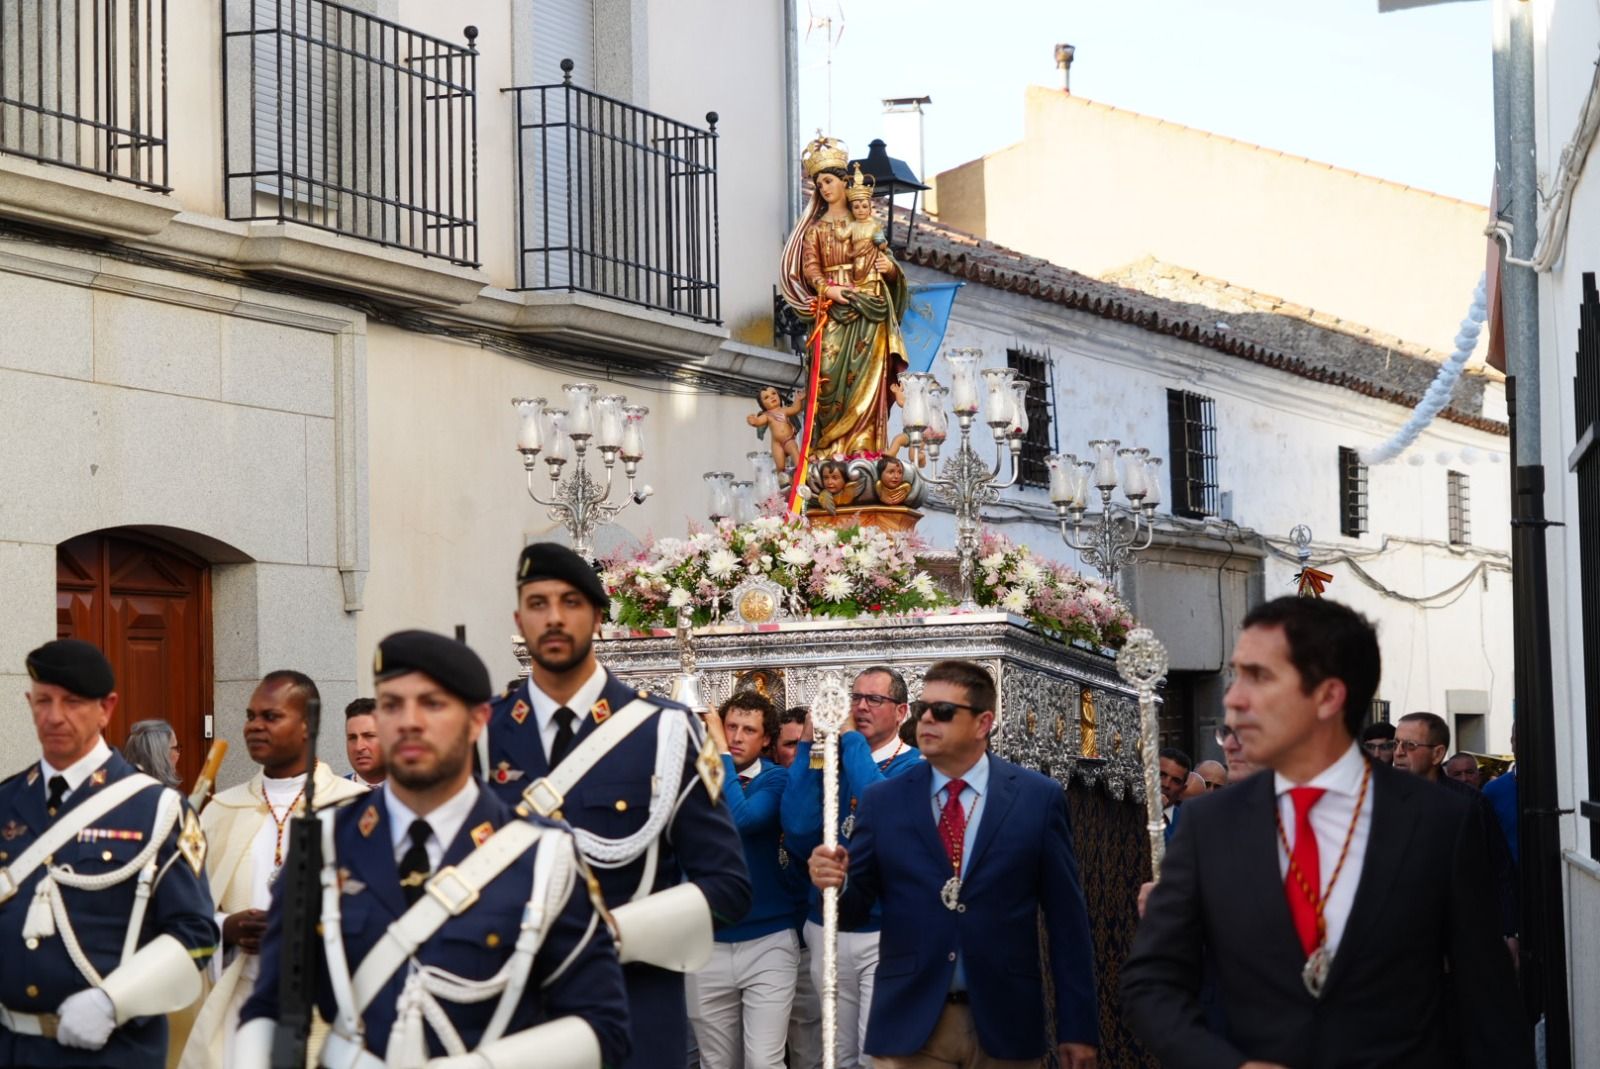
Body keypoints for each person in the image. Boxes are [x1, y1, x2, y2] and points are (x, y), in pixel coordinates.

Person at [1122, 597, 1532, 1068]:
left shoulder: (1439, 821)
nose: (1233, 699)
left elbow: (1489, 1003)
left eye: (1259, 677)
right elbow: (1150, 984)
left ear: (1328, 697)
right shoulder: (1208, 825)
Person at [236, 630, 630, 1068]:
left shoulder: (540, 856)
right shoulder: (324, 845)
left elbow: (602, 1026)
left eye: (432, 704)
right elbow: (270, 1005)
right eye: (392, 704)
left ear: (478, 719)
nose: (408, 721)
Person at [483, 542, 751, 1069]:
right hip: (510, 1023)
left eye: (571, 602)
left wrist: (609, 936)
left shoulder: (665, 733)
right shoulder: (478, 734)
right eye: (538, 604)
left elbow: (728, 888)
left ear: (599, 617)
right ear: (519, 619)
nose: (554, 618)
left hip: (631, 1020)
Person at [809, 659, 1099, 1069]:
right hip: (910, 1022)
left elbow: (1067, 922)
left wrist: (1078, 1027)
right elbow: (855, 910)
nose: (927, 719)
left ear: (983, 723)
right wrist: (833, 884)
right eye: (924, 708)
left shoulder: (1037, 799)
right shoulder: (885, 801)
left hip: (1005, 1021)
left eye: (943, 711)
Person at [0, 639, 217, 1068]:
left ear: (107, 708)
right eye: (43, 701)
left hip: (111, 1053)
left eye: (73, 702)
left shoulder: (157, 809)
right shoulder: (6, 801)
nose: (54, 716)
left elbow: (196, 935)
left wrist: (112, 1001)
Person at [178, 671, 369, 1069]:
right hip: (240, 1000)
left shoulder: (358, 809)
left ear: (307, 726)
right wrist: (226, 927)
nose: (254, 726)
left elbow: (382, 913)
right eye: (250, 716)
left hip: (327, 1007)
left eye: (270, 716)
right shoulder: (221, 811)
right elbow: (183, 912)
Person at [782, 666, 922, 1069]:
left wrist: (847, 737)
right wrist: (809, 744)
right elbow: (796, 829)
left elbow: (883, 807)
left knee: (876, 1052)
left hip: (884, 929)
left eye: (873, 699)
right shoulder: (833, 760)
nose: (859, 707)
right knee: (836, 1055)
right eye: (854, 697)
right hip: (826, 924)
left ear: (901, 712)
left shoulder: (916, 767)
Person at [779, 134, 909, 460]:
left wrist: (889, 269)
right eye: (819, 183)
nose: (824, 188)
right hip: (833, 310)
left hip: (869, 311)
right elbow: (810, 268)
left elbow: (888, 265)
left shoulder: (866, 224)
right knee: (829, 381)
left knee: (867, 382)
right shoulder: (814, 230)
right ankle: (829, 449)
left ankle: (865, 449)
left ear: (843, 182)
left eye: (829, 180)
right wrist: (829, 289)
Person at [689, 693, 796, 1069]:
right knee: (716, 1063)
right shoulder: (697, 777)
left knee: (764, 1062)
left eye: (747, 730)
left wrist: (717, 752)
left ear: (766, 739)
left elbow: (743, 820)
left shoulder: (777, 777)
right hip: (708, 941)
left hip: (769, 941)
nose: (735, 736)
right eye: (729, 726)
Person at [1393, 712, 1519, 946]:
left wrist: (1508, 931)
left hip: (1461, 941)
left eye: (1409, 745)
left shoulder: (1469, 804)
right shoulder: (1382, 801)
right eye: (1396, 743)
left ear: (1437, 754)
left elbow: (1498, 869)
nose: (1398, 752)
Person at [748, 386, 806, 476]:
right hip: (776, 444)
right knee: (780, 466)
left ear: (779, 396)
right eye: (766, 397)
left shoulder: (784, 410)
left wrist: (798, 399)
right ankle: (783, 481)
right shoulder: (767, 415)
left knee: (795, 453)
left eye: (774, 393)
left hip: (788, 440)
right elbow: (759, 422)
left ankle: (801, 473)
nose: (772, 397)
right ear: (762, 404)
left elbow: (795, 409)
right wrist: (753, 420)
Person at [122, 718, 182, 789]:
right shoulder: (164, 797)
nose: (178, 754)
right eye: (175, 748)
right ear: (160, 755)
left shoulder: (120, 787)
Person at [343, 696, 386, 785]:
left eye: (369, 736)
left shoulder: (415, 793)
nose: (359, 747)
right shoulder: (333, 794)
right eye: (352, 738)